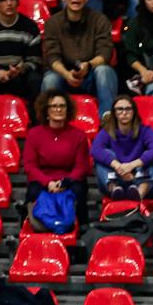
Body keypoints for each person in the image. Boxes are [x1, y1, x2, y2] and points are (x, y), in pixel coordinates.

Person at [40, 0, 118, 118]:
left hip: (90, 74)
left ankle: (107, 119)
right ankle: (49, 121)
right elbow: (52, 57)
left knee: (104, 71)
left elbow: (105, 53)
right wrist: (66, 74)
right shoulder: (52, 23)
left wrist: (88, 65)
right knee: (50, 79)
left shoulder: (100, 20)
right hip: (63, 75)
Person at [23, 90, 91, 228]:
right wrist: (48, 183)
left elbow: (81, 166)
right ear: (46, 110)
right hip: (43, 179)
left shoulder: (79, 135)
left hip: (70, 179)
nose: (58, 109)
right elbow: (30, 166)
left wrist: (65, 182)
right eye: (53, 106)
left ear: (68, 109)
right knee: (33, 192)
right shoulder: (34, 134)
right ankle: (33, 226)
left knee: (79, 190)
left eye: (62, 106)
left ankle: (82, 228)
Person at [90, 95, 153, 201]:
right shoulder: (106, 132)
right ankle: (114, 190)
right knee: (103, 156)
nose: (124, 113)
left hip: (141, 180)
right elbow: (95, 150)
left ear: (134, 112)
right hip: (117, 178)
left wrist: (131, 165)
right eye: (120, 109)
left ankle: (139, 194)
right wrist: (118, 166)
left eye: (128, 109)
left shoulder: (145, 130)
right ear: (114, 113)